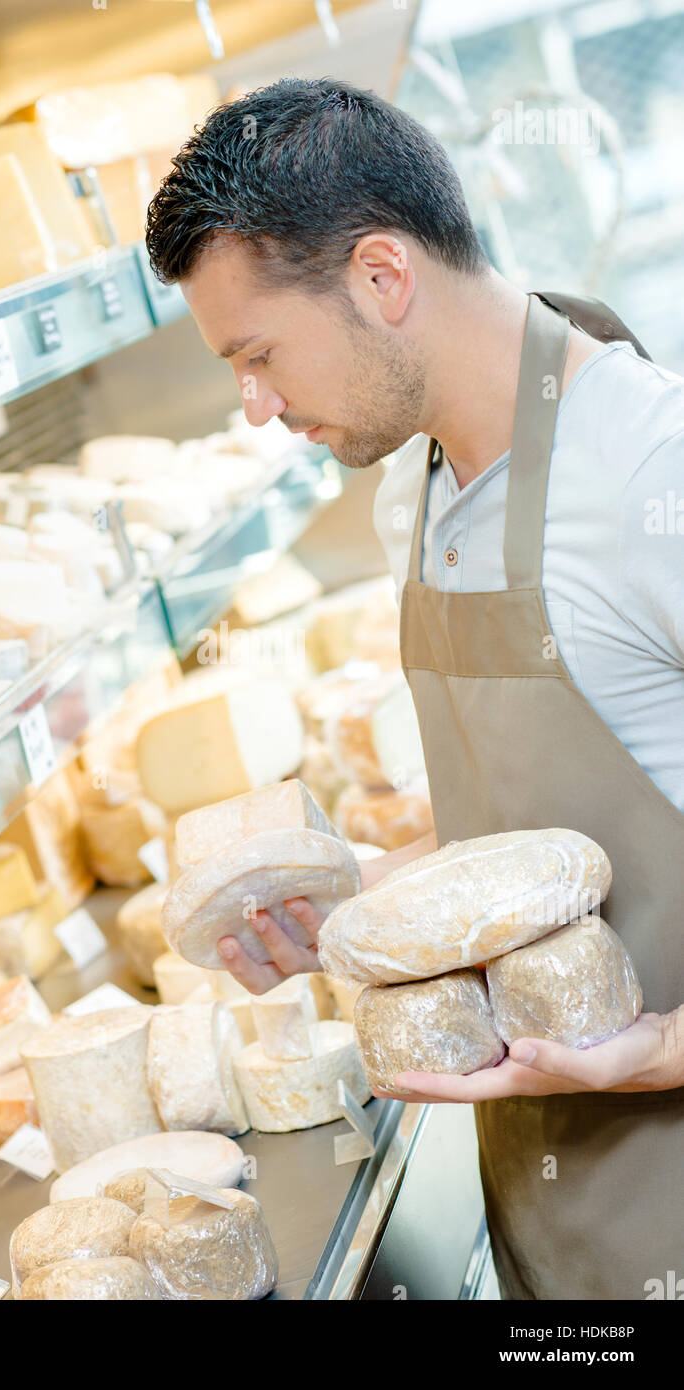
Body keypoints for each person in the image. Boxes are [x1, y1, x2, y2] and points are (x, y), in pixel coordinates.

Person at [145, 77, 684, 1300]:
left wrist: (658, 1048)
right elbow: (550, 833)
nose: (257, 404)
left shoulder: (654, 468)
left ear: (383, 276)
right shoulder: (415, 490)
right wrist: (365, 902)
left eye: (260, 353)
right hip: (555, 1227)